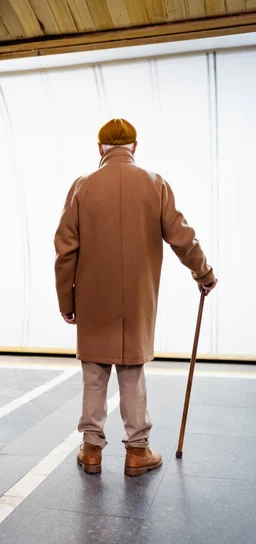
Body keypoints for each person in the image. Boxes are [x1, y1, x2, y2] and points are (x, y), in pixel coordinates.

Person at [54, 118, 217, 477]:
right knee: (132, 373)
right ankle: (137, 452)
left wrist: (67, 300)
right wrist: (202, 273)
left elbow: (65, 249)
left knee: (94, 374)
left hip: (93, 301)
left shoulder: (82, 187)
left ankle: (92, 450)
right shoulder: (155, 184)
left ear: (99, 149)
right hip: (137, 301)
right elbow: (181, 237)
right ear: (135, 147)